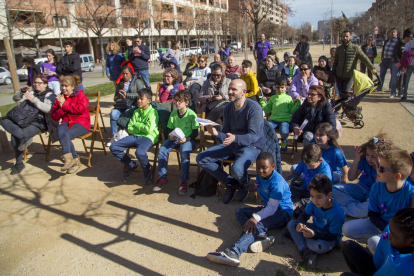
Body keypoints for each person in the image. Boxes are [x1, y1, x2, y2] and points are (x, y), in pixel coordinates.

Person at [206, 152, 293, 266]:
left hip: (282, 213)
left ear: (273, 167)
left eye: (264, 168)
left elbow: (272, 208)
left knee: (256, 224)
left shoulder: (277, 183)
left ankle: (234, 252)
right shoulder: (260, 176)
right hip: (270, 208)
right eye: (258, 167)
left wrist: (255, 218)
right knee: (240, 212)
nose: (260, 170)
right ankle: (260, 235)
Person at [196, 79, 264, 204]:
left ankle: (244, 183)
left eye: (234, 89)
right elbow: (227, 134)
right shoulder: (228, 108)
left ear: (243, 92)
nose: (230, 92)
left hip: (251, 146)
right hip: (232, 144)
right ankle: (230, 183)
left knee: (236, 169)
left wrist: (235, 138)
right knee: (201, 158)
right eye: (229, 89)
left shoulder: (254, 108)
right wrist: (216, 134)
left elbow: (254, 136)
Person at [342, 150, 414, 254]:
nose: (378, 170)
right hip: (380, 225)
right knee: (347, 228)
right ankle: (383, 246)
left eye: (382, 169)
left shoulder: (411, 194)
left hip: (398, 233)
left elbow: (409, 227)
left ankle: (386, 254)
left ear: (397, 176)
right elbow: (372, 214)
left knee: (374, 242)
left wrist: (392, 233)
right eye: (379, 166)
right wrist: (385, 229)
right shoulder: (377, 186)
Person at [285, 174, 346, 268]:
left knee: (318, 246)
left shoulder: (337, 214)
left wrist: (314, 235)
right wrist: (300, 223)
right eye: (312, 196)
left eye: (319, 197)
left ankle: (299, 240)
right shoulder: (313, 203)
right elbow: (304, 215)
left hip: (328, 238)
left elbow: (332, 236)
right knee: (292, 224)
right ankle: (305, 250)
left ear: (329, 195)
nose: (315, 200)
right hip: (316, 228)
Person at [1, 75, 57, 175]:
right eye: (35, 83)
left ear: (45, 84)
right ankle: (23, 138)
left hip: (38, 122)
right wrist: (21, 91)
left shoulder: (49, 95)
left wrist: (34, 100)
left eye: (39, 83)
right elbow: (16, 99)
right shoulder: (32, 93)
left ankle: (19, 163)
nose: (36, 85)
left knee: (14, 136)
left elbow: (49, 109)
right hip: (24, 120)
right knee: (4, 121)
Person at [332, 136, 394, 218]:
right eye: (367, 155)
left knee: (371, 205)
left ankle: (346, 209)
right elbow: (351, 177)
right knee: (334, 189)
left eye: (373, 157)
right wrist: (357, 159)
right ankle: (356, 209)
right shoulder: (365, 161)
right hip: (360, 189)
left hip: (373, 194)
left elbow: (378, 187)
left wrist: (379, 168)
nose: (369, 159)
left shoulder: (385, 168)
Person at [341, 208, 414, 276]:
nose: (389, 235)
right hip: (380, 269)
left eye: (393, 235)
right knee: (348, 246)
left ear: (411, 242)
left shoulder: (405, 268)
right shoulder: (395, 233)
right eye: (390, 231)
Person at [109, 88, 158, 184]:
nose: (139, 101)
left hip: (148, 137)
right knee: (114, 147)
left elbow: (148, 129)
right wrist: (140, 126)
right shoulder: (136, 112)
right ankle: (131, 164)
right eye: (138, 98)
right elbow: (130, 128)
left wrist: (137, 125)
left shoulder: (153, 113)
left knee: (139, 152)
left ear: (148, 101)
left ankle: (147, 168)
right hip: (135, 136)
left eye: (141, 99)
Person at [155, 90, 199, 194]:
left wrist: (186, 139)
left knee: (184, 152)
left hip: (187, 139)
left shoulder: (192, 115)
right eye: (176, 101)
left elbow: (195, 132)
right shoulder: (173, 114)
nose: (177, 103)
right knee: (162, 150)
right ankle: (162, 177)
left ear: (187, 102)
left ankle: (183, 180)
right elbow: (170, 129)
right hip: (175, 139)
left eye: (180, 101)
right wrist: (171, 136)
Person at [50, 75, 89, 174]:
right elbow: (54, 116)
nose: (63, 88)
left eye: (66, 86)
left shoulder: (80, 95)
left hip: (81, 122)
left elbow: (80, 109)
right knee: (60, 129)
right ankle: (70, 160)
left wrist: (65, 104)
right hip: (66, 122)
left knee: (65, 134)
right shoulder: (59, 98)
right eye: (62, 85)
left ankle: (74, 160)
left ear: (72, 86)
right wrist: (61, 107)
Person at [286, 144, 333, 214]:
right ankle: (298, 208)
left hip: (316, 195)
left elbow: (320, 195)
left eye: (311, 165)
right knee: (288, 191)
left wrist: (299, 203)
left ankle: (299, 209)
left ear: (319, 160)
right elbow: (294, 175)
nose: (308, 168)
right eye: (306, 165)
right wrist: (285, 186)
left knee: (316, 202)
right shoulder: (306, 161)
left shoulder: (325, 173)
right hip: (305, 189)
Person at [260, 76, 300, 152]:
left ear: (285, 87)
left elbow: (291, 111)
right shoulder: (273, 98)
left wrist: (297, 105)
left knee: (284, 132)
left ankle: (284, 141)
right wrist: (263, 103)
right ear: (275, 87)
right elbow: (268, 111)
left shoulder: (288, 98)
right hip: (274, 120)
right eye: (278, 87)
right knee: (265, 129)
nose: (280, 89)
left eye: (282, 87)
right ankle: (271, 143)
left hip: (285, 120)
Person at [333, 31, 377, 99]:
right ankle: (342, 108)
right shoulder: (339, 49)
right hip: (338, 76)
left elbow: (364, 58)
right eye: (343, 36)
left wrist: (372, 68)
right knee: (341, 94)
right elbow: (335, 62)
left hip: (349, 76)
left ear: (350, 37)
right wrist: (333, 73)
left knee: (345, 94)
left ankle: (346, 109)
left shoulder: (355, 48)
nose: (345, 38)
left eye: (347, 36)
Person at [110, 64, 145, 137]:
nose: (125, 75)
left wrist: (127, 95)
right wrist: (119, 96)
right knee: (113, 115)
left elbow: (141, 95)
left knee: (126, 114)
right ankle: (114, 136)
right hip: (121, 105)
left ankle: (123, 135)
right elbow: (115, 98)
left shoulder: (137, 81)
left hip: (132, 104)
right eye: (123, 73)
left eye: (127, 73)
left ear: (131, 74)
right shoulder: (120, 83)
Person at [199, 63, 231, 131]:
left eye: (218, 75)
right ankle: (218, 140)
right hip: (210, 105)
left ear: (222, 73)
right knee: (217, 121)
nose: (216, 77)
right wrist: (208, 98)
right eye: (214, 75)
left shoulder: (228, 82)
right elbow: (200, 97)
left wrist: (222, 97)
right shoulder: (206, 83)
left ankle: (206, 122)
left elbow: (232, 96)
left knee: (222, 109)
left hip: (223, 104)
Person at [377, 28, 403, 98]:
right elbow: (384, 49)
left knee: (394, 77)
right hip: (385, 60)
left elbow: (400, 52)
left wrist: (396, 58)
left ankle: (392, 92)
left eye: (394, 32)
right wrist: (382, 57)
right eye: (391, 32)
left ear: (397, 33)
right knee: (381, 75)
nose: (393, 33)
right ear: (389, 33)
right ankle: (379, 87)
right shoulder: (387, 41)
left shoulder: (398, 42)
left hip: (393, 61)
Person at [400, 29, 414, 102]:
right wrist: (411, 54)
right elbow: (405, 52)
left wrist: (411, 53)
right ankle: (404, 95)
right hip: (409, 65)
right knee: (406, 81)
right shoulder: (410, 43)